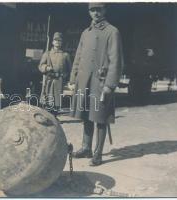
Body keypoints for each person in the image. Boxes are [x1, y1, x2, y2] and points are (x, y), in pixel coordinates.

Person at [68, 3, 124, 166]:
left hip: (100, 82)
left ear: (105, 10)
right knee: (86, 115)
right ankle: (86, 148)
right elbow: (78, 56)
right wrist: (73, 79)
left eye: (99, 9)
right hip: (84, 80)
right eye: (92, 10)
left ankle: (98, 154)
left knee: (100, 118)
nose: (96, 13)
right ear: (89, 12)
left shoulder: (112, 32)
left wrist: (109, 85)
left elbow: (116, 62)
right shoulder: (86, 33)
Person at [38, 32, 72, 116]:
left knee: (57, 100)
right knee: (48, 100)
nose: (57, 42)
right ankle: (49, 116)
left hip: (59, 81)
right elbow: (40, 66)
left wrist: (67, 78)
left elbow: (70, 69)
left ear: (61, 43)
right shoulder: (47, 54)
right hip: (49, 80)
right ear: (52, 42)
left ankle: (54, 116)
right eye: (55, 40)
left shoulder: (65, 55)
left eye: (59, 40)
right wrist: (46, 67)